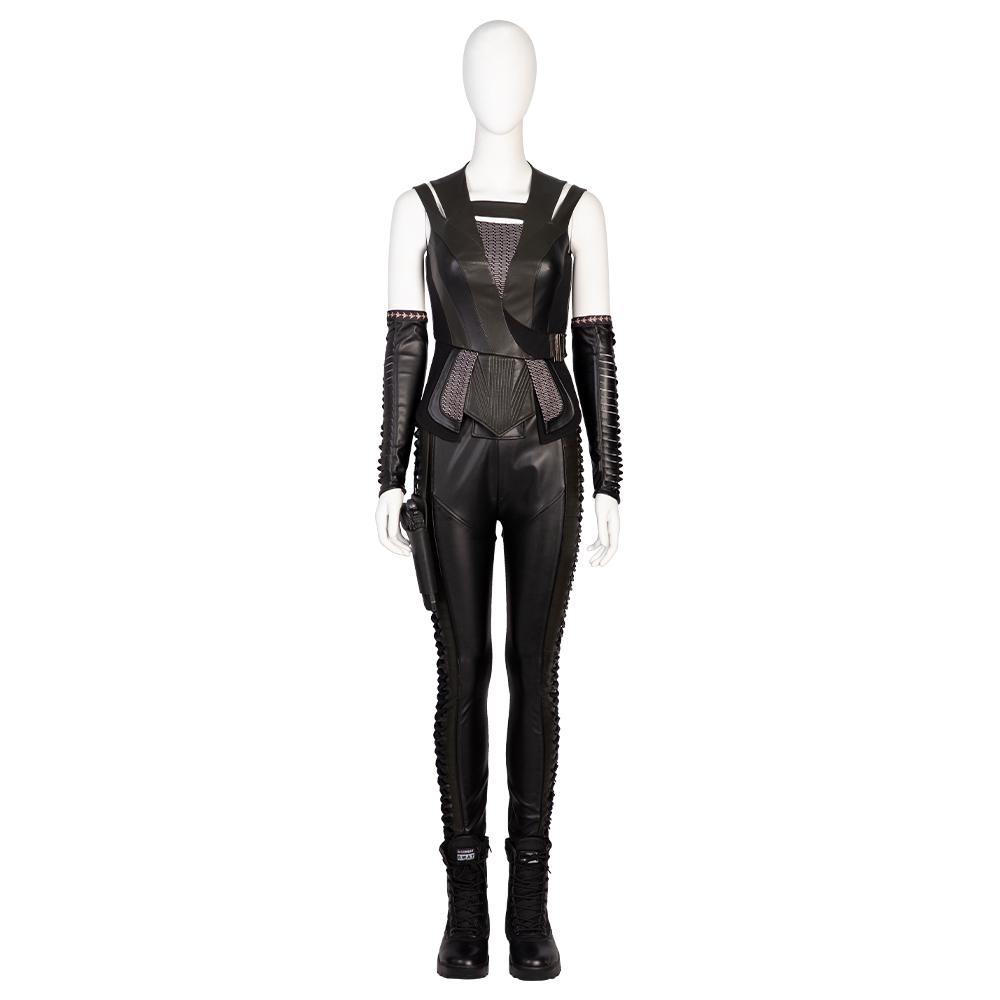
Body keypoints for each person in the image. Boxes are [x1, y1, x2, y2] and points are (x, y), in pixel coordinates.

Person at [375, 20, 623, 980]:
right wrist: (387, 472)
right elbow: (406, 344)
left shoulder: (579, 212)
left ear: (535, 82)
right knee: (462, 668)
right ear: (464, 81)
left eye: (514, 67)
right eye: (485, 67)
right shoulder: (418, 209)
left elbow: (597, 344)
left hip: (550, 459)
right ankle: (465, 905)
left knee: (535, 669)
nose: (500, 82)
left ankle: (531, 904)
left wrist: (611, 479)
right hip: (450, 458)